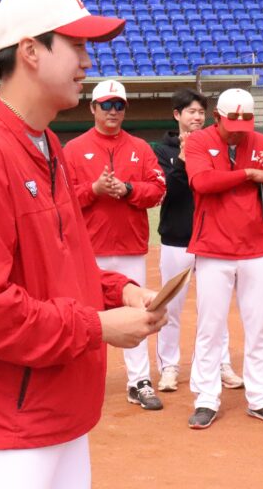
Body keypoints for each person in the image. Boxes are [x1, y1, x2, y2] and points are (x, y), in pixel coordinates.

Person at [0, 0, 166, 488]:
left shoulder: (47, 142)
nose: (87, 61)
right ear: (31, 51)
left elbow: (63, 264)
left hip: (58, 411)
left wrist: (118, 291)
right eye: (76, 45)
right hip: (0, 429)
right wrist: (97, 327)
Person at [184, 88, 263, 429]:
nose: (238, 131)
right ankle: (206, 398)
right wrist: (248, 174)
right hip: (213, 248)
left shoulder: (262, 142)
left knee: (259, 326)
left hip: (255, 247)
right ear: (217, 117)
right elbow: (201, 182)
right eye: (232, 124)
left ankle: (261, 398)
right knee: (210, 327)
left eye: (245, 124)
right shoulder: (199, 141)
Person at [64, 80, 167, 410]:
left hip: (129, 246)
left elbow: (158, 190)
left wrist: (128, 189)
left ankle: (139, 380)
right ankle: (79, 379)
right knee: (85, 315)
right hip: (88, 248)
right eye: (106, 105)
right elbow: (62, 199)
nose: (112, 111)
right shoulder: (74, 149)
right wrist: (93, 190)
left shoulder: (140, 147)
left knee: (137, 312)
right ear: (92, 108)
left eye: (118, 105)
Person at [151, 88, 243, 393]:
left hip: (211, 237)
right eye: (191, 111)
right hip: (176, 237)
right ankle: (169, 366)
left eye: (201, 112)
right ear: (177, 115)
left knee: (215, 307)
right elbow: (168, 192)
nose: (197, 117)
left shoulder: (215, 146)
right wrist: (182, 156)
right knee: (171, 307)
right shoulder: (161, 151)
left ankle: (221, 363)